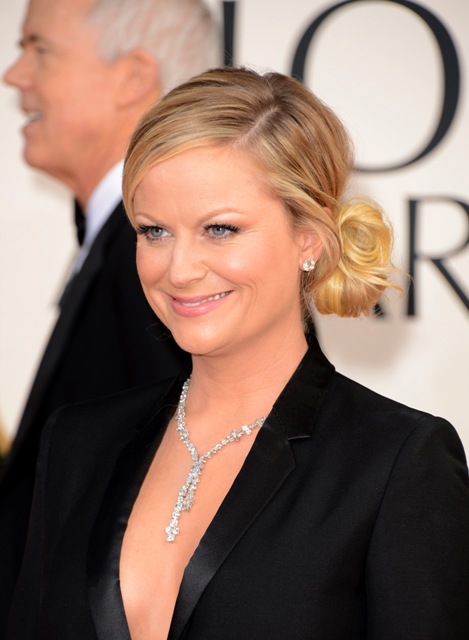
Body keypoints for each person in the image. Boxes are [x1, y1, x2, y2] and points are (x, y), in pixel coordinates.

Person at [7, 67, 469, 639]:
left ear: (309, 236)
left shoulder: (397, 462)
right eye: (154, 231)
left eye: (220, 229)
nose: (179, 270)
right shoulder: (77, 443)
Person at [0, 0, 219, 633]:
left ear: (132, 77)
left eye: (39, 49)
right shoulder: (117, 248)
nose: (14, 74)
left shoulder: (160, 269)